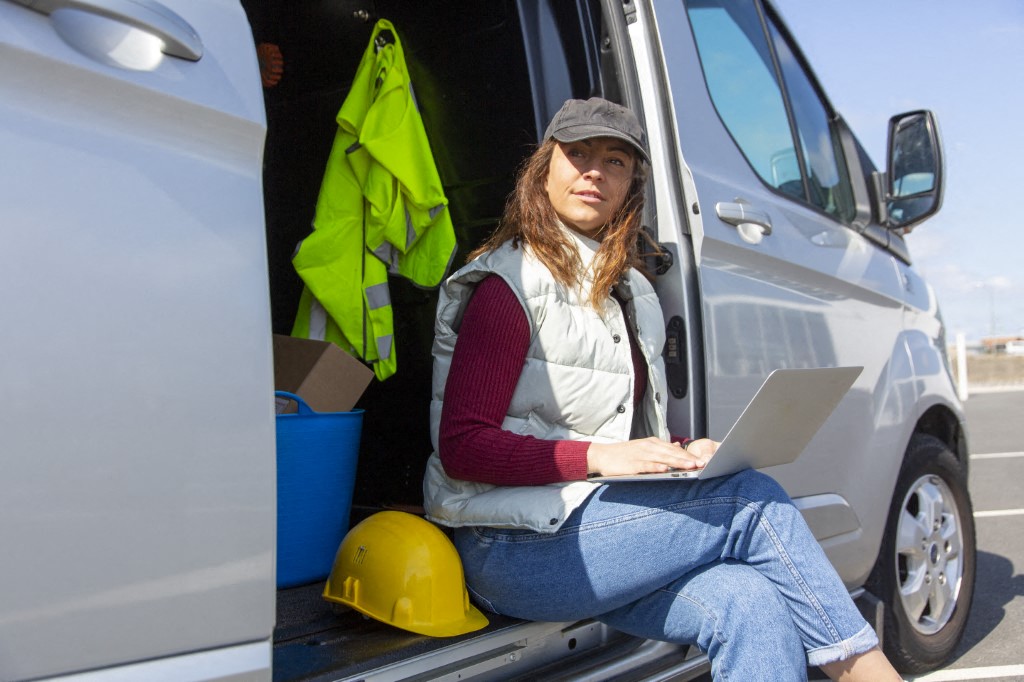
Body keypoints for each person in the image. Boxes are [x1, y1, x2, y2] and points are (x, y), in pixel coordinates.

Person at [422, 97, 901, 681]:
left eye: (616, 161)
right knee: (750, 499)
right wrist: (602, 458)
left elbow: (618, 432)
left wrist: (680, 450)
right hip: (512, 548)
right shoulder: (508, 286)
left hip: (586, 529)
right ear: (544, 168)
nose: (595, 171)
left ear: (631, 187)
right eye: (578, 154)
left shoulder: (629, 291)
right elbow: (463, 447)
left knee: (750, 601)